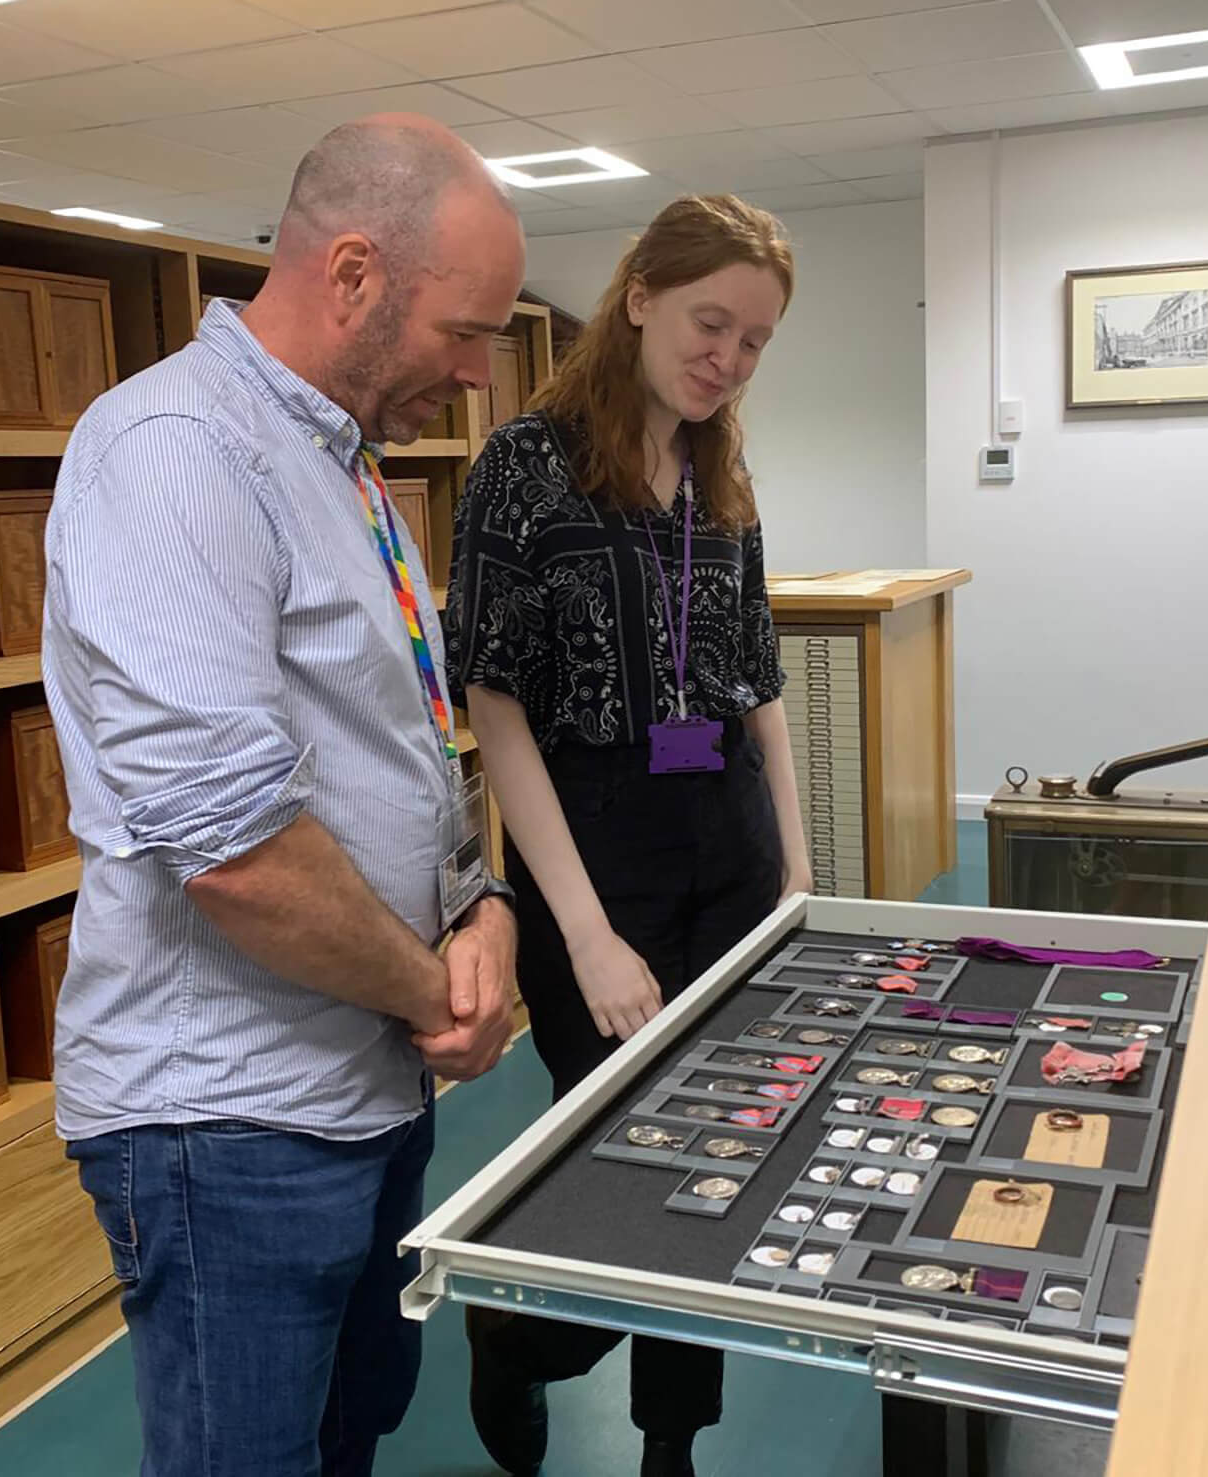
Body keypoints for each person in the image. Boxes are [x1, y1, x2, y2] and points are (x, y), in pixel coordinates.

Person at [42, 115, 525, 1477]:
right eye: (468, 331)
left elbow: (406, 742)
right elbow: (235, 850)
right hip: (229, 1126)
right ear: (356, 274)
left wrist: (480, 907)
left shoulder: (340, 465)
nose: (483, 377)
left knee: (345, 1434)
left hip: (359, 1085)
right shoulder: (176, 453)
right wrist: (438, 994)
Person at [444, 194, 812, 1477]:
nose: (728, 356)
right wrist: (587, 934)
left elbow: (754, 669)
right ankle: (523, 1327)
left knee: (723, 1147)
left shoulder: (720, 466)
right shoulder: (525, 463)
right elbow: (498, 709)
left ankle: (670, 1445)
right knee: (620, 1153)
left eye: (755, 340)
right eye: (712, 321)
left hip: (725, 828)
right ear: (641, 295)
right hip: (590, 843)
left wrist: (797, 855)